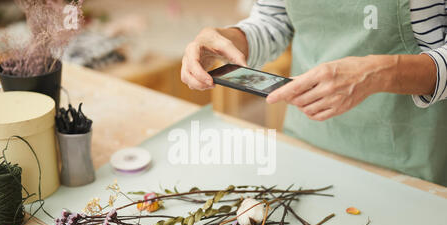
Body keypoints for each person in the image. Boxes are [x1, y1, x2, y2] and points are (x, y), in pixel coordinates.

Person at [181, 0, 447, 186]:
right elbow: (273, 20)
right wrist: (223, 40)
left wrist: (379, 72)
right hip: (306, 142)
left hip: (410, 161)